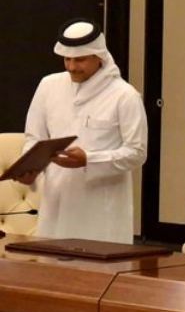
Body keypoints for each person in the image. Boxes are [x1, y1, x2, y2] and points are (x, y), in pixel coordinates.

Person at [18, 18, 148, 243]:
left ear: (99, 56)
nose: (72, 67)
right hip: (56, 205)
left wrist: (89, 159)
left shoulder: (125, 95)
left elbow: (137, 153)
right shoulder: (48, 86)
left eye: (80, 60)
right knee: (50, 262)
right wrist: (31, 166)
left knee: (97, 263)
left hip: (101, 213)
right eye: (67, 59)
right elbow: (34, 137)